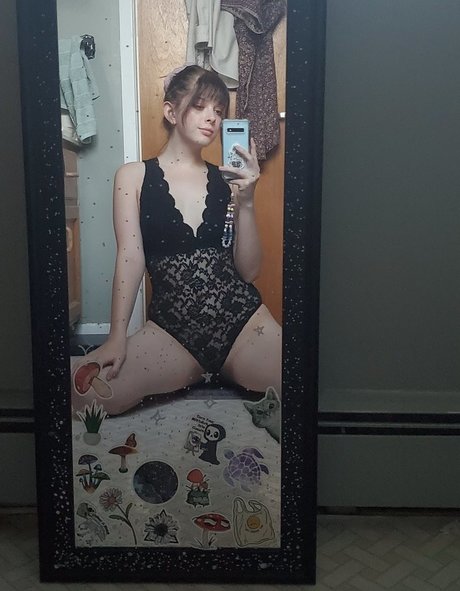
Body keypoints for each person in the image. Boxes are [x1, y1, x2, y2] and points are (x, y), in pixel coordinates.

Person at [72, 65, 281, 415]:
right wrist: (116, 338)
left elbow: (249, 272)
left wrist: (247, 200)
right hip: (173, 332)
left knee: (311, 376)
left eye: (219, 111)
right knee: (86, 394)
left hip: (244, 325)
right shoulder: (132, 177)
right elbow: (130, 257)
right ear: (171, 112)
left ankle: (225, 371)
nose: (212, 118)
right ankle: (198, 373)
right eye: (199, 106)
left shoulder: (229, 181)